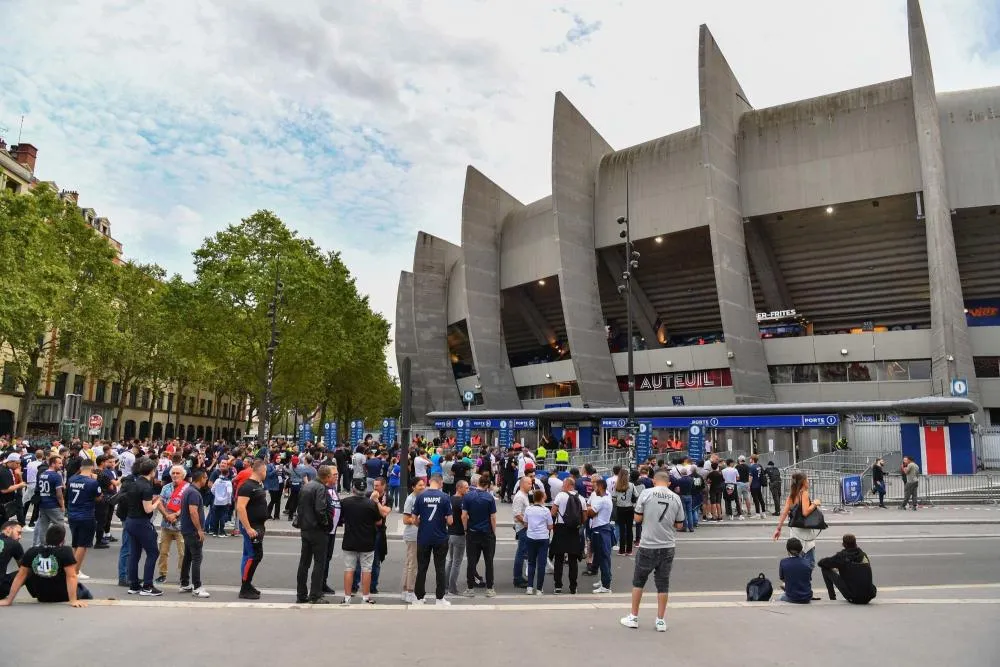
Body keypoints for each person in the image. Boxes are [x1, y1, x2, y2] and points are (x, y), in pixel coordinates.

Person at [620, 471, 684, 632]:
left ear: (654, 481)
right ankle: (660, 620)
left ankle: (634, 616)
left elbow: (637, 518)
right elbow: (679, 525)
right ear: (668, 483)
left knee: (638, 581)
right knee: (663, 584)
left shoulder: (646, 494)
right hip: (667, 545)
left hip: (648, 544)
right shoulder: (676, 498)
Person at [0, 524, 90, 607]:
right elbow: (72, 576)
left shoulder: (32, 551)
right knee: (83, 590)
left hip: (41, 595)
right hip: (62, 595)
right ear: (62, 541)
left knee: (26, 572)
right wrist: (73, 601)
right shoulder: (65, 551)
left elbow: (20, 576)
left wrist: (9, 600)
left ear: (46, 538)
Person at [340, 478, 389, 605]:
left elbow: (341, 519)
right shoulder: (371, 504)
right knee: (367, 569)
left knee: (349, 568)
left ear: (353, 489)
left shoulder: (345, 502)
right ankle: (366, 597)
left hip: (350, 539)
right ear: (364, 490)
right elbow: (378, 521)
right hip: (367, 540)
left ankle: (347, 597)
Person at [296, 465, 335, 604]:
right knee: (319, 563)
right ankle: (315, 595)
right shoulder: (321, 488)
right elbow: (320, 510)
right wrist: (326, 525)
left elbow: (300, 506)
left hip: (305, 528)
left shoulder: (307, 486)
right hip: (317, 530)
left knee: (304, 562)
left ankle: (301, 593)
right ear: (327, 476)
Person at [412, 474, 453, 605]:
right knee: (440, 568)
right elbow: (450, 521)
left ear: (430, 482)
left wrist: (421, 524)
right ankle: (439, 598)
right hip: (440, 537)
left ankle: (419, 597)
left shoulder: (420, 496)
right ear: (440, 483)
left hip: (424, 537)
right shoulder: (445, 497)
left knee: (422, 568)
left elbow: (414, 519)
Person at [125, 458, 164, 596]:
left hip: (130, 520)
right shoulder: (147, 487)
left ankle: (134, 584)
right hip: (141, 522)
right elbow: (148, 510)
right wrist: (157, 502)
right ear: (152, 471)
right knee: (153, 553)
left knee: (134, 554)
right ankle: (147, 585)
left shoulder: (134, 484)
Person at [773, 472, 821, 569]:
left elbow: (784, 513)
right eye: (807, 479)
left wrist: (778, 529)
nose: (808, 481)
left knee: (795, 560)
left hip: (794, 531)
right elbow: (805, 512)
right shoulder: (804, 493)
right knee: (809, 562)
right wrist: (815, 504)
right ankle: (804, 581)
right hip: (805, 531)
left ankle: (791, 580)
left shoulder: (792, 495)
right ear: (803, 482)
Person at [235, 459, 269, 599]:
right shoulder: (247, 486)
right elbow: (240, 507)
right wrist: (248, 528)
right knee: (254, 556)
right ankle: (245, 587)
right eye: (265, 470)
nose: (266, 473)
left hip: (258, 525)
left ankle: (247, 584)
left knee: (250, 555)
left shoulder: (257, 485)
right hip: (252, 527)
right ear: (261, 471)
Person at [461, 473, 497, 598]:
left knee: (471, 561)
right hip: (487, 533)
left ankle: (470, 588)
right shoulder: (489, 498)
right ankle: (490, 588)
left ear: (477, 483)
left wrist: (466, 529)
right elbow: (493, 517)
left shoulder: (468, 496)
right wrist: (493, 531)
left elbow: (464, 515)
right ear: (487, 485)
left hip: (472, 532)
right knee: (489, 561)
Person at [66, 458, 102, 580]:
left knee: (75, 543)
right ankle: (74, 571)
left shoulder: (71, 479)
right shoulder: (92, 482)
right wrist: (96, 480)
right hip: (86, 515)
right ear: (92, 468)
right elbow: (99, 498)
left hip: (72, 514)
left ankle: (74, 568)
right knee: (83, 544)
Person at [818, 534, 877, 604]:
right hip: (869, 596)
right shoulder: (863, 555)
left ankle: (832, 598)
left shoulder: (842, 556)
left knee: (825, 569)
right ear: (855, 543)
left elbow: (821, 563)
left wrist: (836, 566)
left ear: (843, 544)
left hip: (854, 597)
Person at [178, 469, 210, 597]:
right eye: (205, 478)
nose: (206, 480)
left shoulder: (189, 490)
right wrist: (199, 529)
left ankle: (185, 583)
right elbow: (193, 512)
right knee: (197, 557)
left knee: (188, 557)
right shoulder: (194, 493)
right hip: (192, 530)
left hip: (187, 529)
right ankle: (197, 587)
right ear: (201, 478)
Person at [155, 465, 187, 584]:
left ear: (183, 475)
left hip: (181, 525)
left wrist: (176, 515)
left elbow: (188, 505)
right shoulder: (166, 487)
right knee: (163, 551)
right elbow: (160, 502)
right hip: (166, 524)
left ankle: (183, 575)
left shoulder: (187, 488)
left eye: (177, 473)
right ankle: (162, 574)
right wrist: (166, 515)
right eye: (173, 473)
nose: (174, 475)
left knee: (183, 553)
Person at [400, 477, 426, 603]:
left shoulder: (419, 497)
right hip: (413, 535)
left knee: (409, 563)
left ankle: (406, 590)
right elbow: (406, 520)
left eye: (423, 484)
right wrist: (420, 520)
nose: (423, 487)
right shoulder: (411, 499)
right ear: (413, 487)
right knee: (413, 565)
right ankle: (411, 592)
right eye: (420, 485)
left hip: (416, 535)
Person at [586, 478, 614, 593]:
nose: (594, 489)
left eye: (596, 487)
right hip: (603, 529)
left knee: (603, 557)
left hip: (600, 530)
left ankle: (606, 586)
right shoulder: (607, 498)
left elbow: (591, 513)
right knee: (603, 556)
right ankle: (604, 580)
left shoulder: (602, 500)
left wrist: (586, 508)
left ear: (601, 487)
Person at [523, 489, 552, 595]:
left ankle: (529, 587)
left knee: (531, 562)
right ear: (542, 498)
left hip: (531, 537)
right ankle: (539, 588)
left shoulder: (528, 509)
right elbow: (550, 526)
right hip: (543, 538)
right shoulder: (546, 511)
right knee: (541, 564)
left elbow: (525, 523)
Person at [33, 455, 65, 548]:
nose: (61, 465)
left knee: (43, 527)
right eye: (59, 463)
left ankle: (43, 545)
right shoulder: (56, 476)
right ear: (53, 464)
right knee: (59, 526)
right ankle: (59, 545)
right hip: (53, 505)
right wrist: (62, 505)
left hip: (43, 504)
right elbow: (59, 494)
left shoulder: (42, 474)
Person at [445, 480, 468, 596]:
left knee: (451, 560)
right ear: (459, 488)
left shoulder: (450, 499)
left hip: (450, 532)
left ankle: (445, 585)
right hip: (459, 533)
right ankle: (452, 588)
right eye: (466, 488)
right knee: (457, 562)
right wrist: (465, 529)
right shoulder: (462, 501)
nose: (467, 490)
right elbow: (464, 516)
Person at [612, 468, 639, 553]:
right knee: (629, 529)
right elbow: (637, 495)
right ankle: (629, 550)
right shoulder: (631, 485)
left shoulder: (616, 485)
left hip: (620, 508)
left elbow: (614, 497)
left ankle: (622, 549)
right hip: (629, 508)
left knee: (622, 529)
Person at [778, 537, 813, 603]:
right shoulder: (807, 562)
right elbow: (808, 579)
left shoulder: (783, 562)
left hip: (792, 597)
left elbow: (782, 578)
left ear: (788, 550)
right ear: (801, 549)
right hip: (807, 597)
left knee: (781, 597)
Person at [0, 521, 25, 599]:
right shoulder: (14, 544)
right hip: (1, 589)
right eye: (18, 533)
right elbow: (23, 568)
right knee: (28, 570)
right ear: (9, 529)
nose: (20, 537)